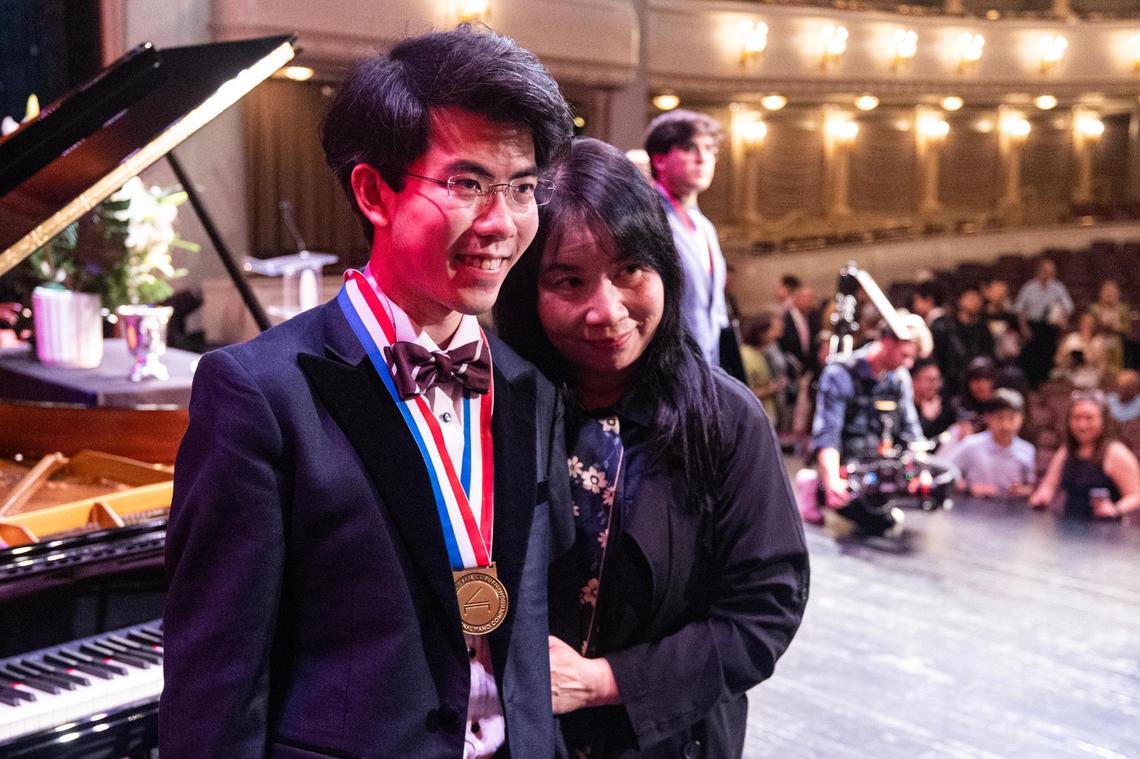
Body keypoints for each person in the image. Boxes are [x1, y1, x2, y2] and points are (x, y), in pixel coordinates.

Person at [161, 27, 574, 758]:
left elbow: (526, 620)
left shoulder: (527, 387)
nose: (502, 222)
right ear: (373, 191)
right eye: (468, 183)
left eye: (522, 187)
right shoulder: (259, 395)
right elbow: (216, 686)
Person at [495, 138, 808, 758]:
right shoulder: (494, 404)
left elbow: (764, 609)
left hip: (667, 740)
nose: (605, 311)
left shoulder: (725, 417)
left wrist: (606, 682)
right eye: (568, 281)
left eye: (628, 271)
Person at [811, 325, 924, 536]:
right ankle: (813, 483)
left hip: (881, 469)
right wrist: (832, 481)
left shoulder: (899, 378)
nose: (908, 363)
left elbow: (911, 431)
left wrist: (919, 469)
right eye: (905, 355)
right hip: (848, 468)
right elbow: (828, 434)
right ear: (888, 341)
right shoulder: (840, 373)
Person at [644, 109, 729, 367]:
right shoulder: (647, 218)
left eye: (710, 149)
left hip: (707, 371)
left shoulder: (705, 227)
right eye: (690, 147)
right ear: (659, 160)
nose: (703, 158)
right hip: (664, 371)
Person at [1030, 391, 1140, 520]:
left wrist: (1115, 509)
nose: (1082, 425)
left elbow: (1136, 495)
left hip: (1106, 532)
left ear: (1103, 420)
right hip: (1069, 527)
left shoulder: (1116, 453)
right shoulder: (1067, 450)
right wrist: (1041, 497)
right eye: (1076, 418)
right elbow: (1049, 485)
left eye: (1089, 418)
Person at [947, 389, 1036, 498]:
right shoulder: (971, 445)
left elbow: (1030, 486)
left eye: (1012, 418)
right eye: (1000, 418)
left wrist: (1021, 490)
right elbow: (946, 475)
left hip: (1010, 511)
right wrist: (970, 488)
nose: (1006, 425)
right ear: (988, 417)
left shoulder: (1027, 450)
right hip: (973, 509)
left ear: (1021, 418)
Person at [1015, 258, 1074, 388]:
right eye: (1046, 271)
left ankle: (1045, 387)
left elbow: (1069, 307)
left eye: (1052, 272)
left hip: (1050, 327)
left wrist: (1063, 320)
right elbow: (1019, 310)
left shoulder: (1058, 288)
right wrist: (1024, 328)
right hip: (1032, 326)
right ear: (1039, 271)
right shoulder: (1028, 287)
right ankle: (1031, 387)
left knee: (1047, 359)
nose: (1049, 274)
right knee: (1031, 360)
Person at [1087, 280, 1131, 376]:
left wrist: (1116, 327)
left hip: (1116, 341)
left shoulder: (1123, 309)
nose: (1109, 294)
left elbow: (1127, 328)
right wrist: (1101, 325)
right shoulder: (1094, 308)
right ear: (1101, 293)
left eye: (1112, 292)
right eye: (1107, 291)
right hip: (1098, 341)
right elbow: (1088, 326)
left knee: (1115, 371)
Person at [1055, 311, 1108, 388]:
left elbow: (1101, 364)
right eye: (1085, 322)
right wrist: (1067, 359)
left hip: (1090, 374)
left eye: (1090, 323)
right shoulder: (1071, 338)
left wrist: (1087, 344)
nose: (1087, 325)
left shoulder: (1098, 341)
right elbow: (1058, 359)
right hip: (1070, 371)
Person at [911, 358, 957, 444]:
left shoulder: (944, 406)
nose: (936, 385)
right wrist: (926, 420)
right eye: (930, 380)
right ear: (914, 381)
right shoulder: (904, 407)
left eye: (938, 380)